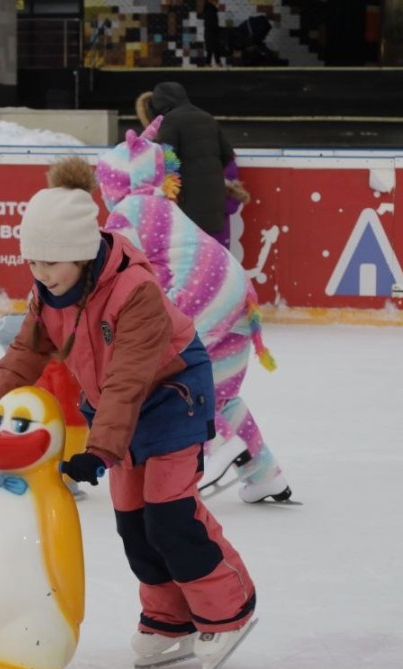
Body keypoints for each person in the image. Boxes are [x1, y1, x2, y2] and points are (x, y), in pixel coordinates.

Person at [0, 161, 257, 669]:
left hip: (172, 395)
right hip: (116, 408)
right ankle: (169, 619)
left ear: (81, 251)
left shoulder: (134, 291)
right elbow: (21, 360)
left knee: (170, 513)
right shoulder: (47, 295)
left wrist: (97, 450)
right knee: (133, 522)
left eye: (51, 262)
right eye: (33, 262)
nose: (42, 273)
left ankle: (228, 610)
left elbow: (129, 378)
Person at [97, 119, 291, 503]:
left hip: (199, 296)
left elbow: (114, 275)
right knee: (221, 395)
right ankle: (263, 475)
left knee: (165, 372)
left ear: (112, 183)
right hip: (234, 292)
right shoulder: (159, 204)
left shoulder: (126, 213)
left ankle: (218, 444)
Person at [150, 81, 234, 244]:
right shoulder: (207, 117)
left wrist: (174, 190)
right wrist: (210, 175)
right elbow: (228, 154)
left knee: (190, 253)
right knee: (210, 250)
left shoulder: (171, 120)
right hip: (215, 194)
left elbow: (167, 157)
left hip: (188, 200)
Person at [201, 0, 224, 67]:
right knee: (213, 49)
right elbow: (211, 23)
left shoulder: (209, 8)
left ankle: (211, 63)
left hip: (210, 33)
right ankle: (216, 63)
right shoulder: (210, 9)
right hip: (212, 33)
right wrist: (219, 29)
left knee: (211, 50)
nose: (217, 1)